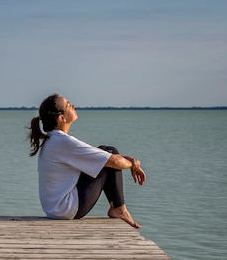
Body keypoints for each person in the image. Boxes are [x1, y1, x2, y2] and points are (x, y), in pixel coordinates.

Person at [28, 93, 146, 228]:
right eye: (68, 105)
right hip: (66, 209)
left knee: (105, 151)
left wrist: (126, 159)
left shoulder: (53, 140)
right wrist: (133, 164)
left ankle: (117, 209)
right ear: (61, 118)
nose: (73, 106)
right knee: (110, 153)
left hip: (54, 209)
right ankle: (120, 210)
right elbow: (116, 162)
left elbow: (103, 156)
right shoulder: (63, 142)